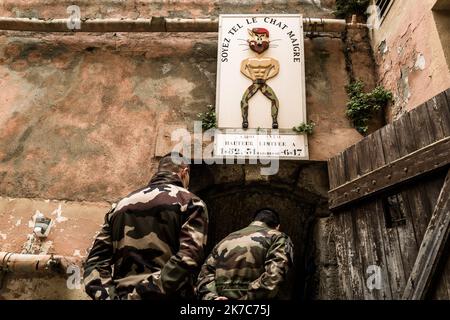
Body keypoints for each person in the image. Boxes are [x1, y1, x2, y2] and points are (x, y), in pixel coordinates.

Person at [83, 152, 208, 300]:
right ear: (184, 172)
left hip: (122, 294)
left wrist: (108, 297)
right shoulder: (190, 203)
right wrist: (144, 293)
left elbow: (94, 263)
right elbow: (189, 258)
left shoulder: (120, 206)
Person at [196, 208, 293, 300]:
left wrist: (212, 297)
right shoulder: (278, 237)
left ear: (253, 221)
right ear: (278, 226)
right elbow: (274, 276)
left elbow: (204, 276)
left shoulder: (225, 240)